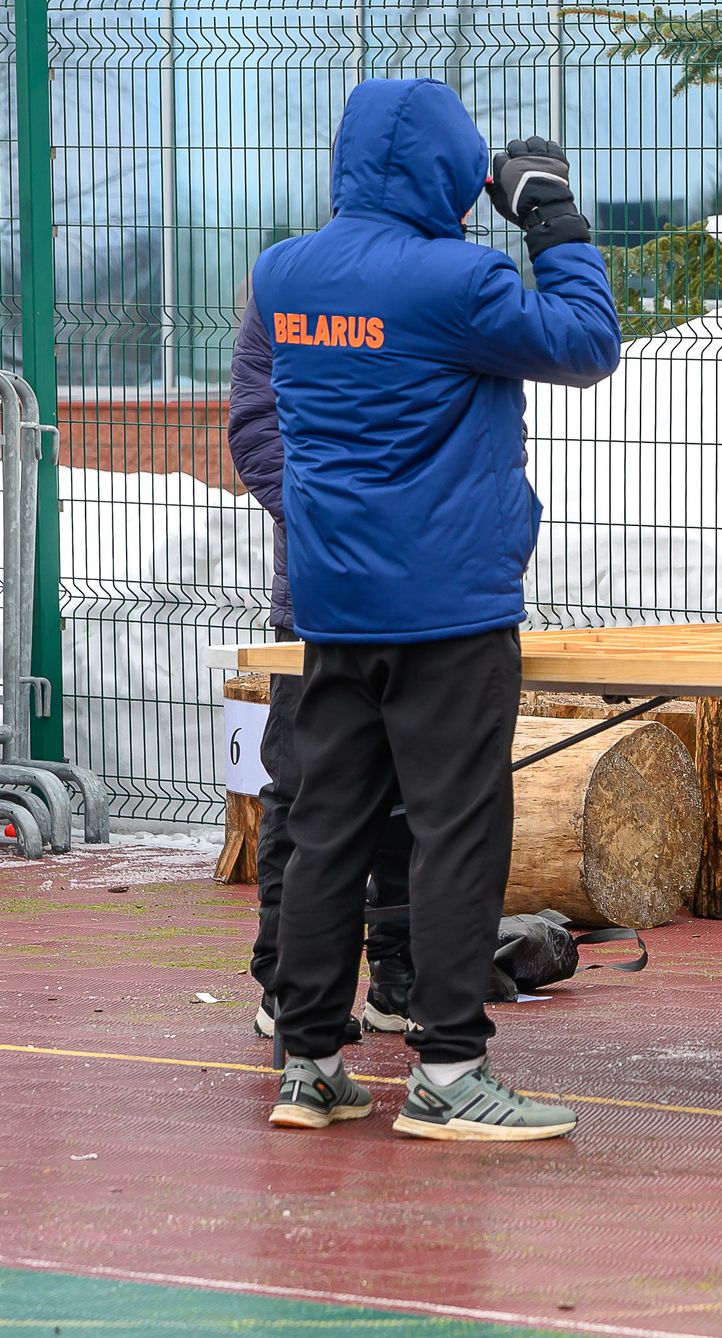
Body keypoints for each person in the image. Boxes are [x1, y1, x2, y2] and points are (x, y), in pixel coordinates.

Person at [255, 80, 620, 1137]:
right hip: (448, 605)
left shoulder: (285, 273)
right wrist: (551, 217)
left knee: (327, 827)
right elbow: (587, 345)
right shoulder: (458, 281)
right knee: (455, 832)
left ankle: (310, 1060)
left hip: (332, 599)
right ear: (452, 170)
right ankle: (450, 1071)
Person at [228, 285, 417, 1046]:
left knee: (411, 797)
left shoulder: (429, 281)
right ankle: (286, 985)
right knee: (303, 791)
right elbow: (255, 430)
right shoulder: (292, 289)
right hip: (320, 603)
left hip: (418, 600)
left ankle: (399, 982)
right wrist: (325, 522)